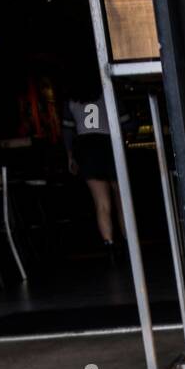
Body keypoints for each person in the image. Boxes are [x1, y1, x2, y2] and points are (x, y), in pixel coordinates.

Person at [62, 77, 125, 252]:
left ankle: (109, 244)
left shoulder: (71, 100)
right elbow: (128, 121)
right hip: (108, 143)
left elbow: (67, 131)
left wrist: (70, 156)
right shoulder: (108, 93)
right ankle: (128, 241)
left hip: (86, 148)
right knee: (121, 198)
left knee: (101, 203)